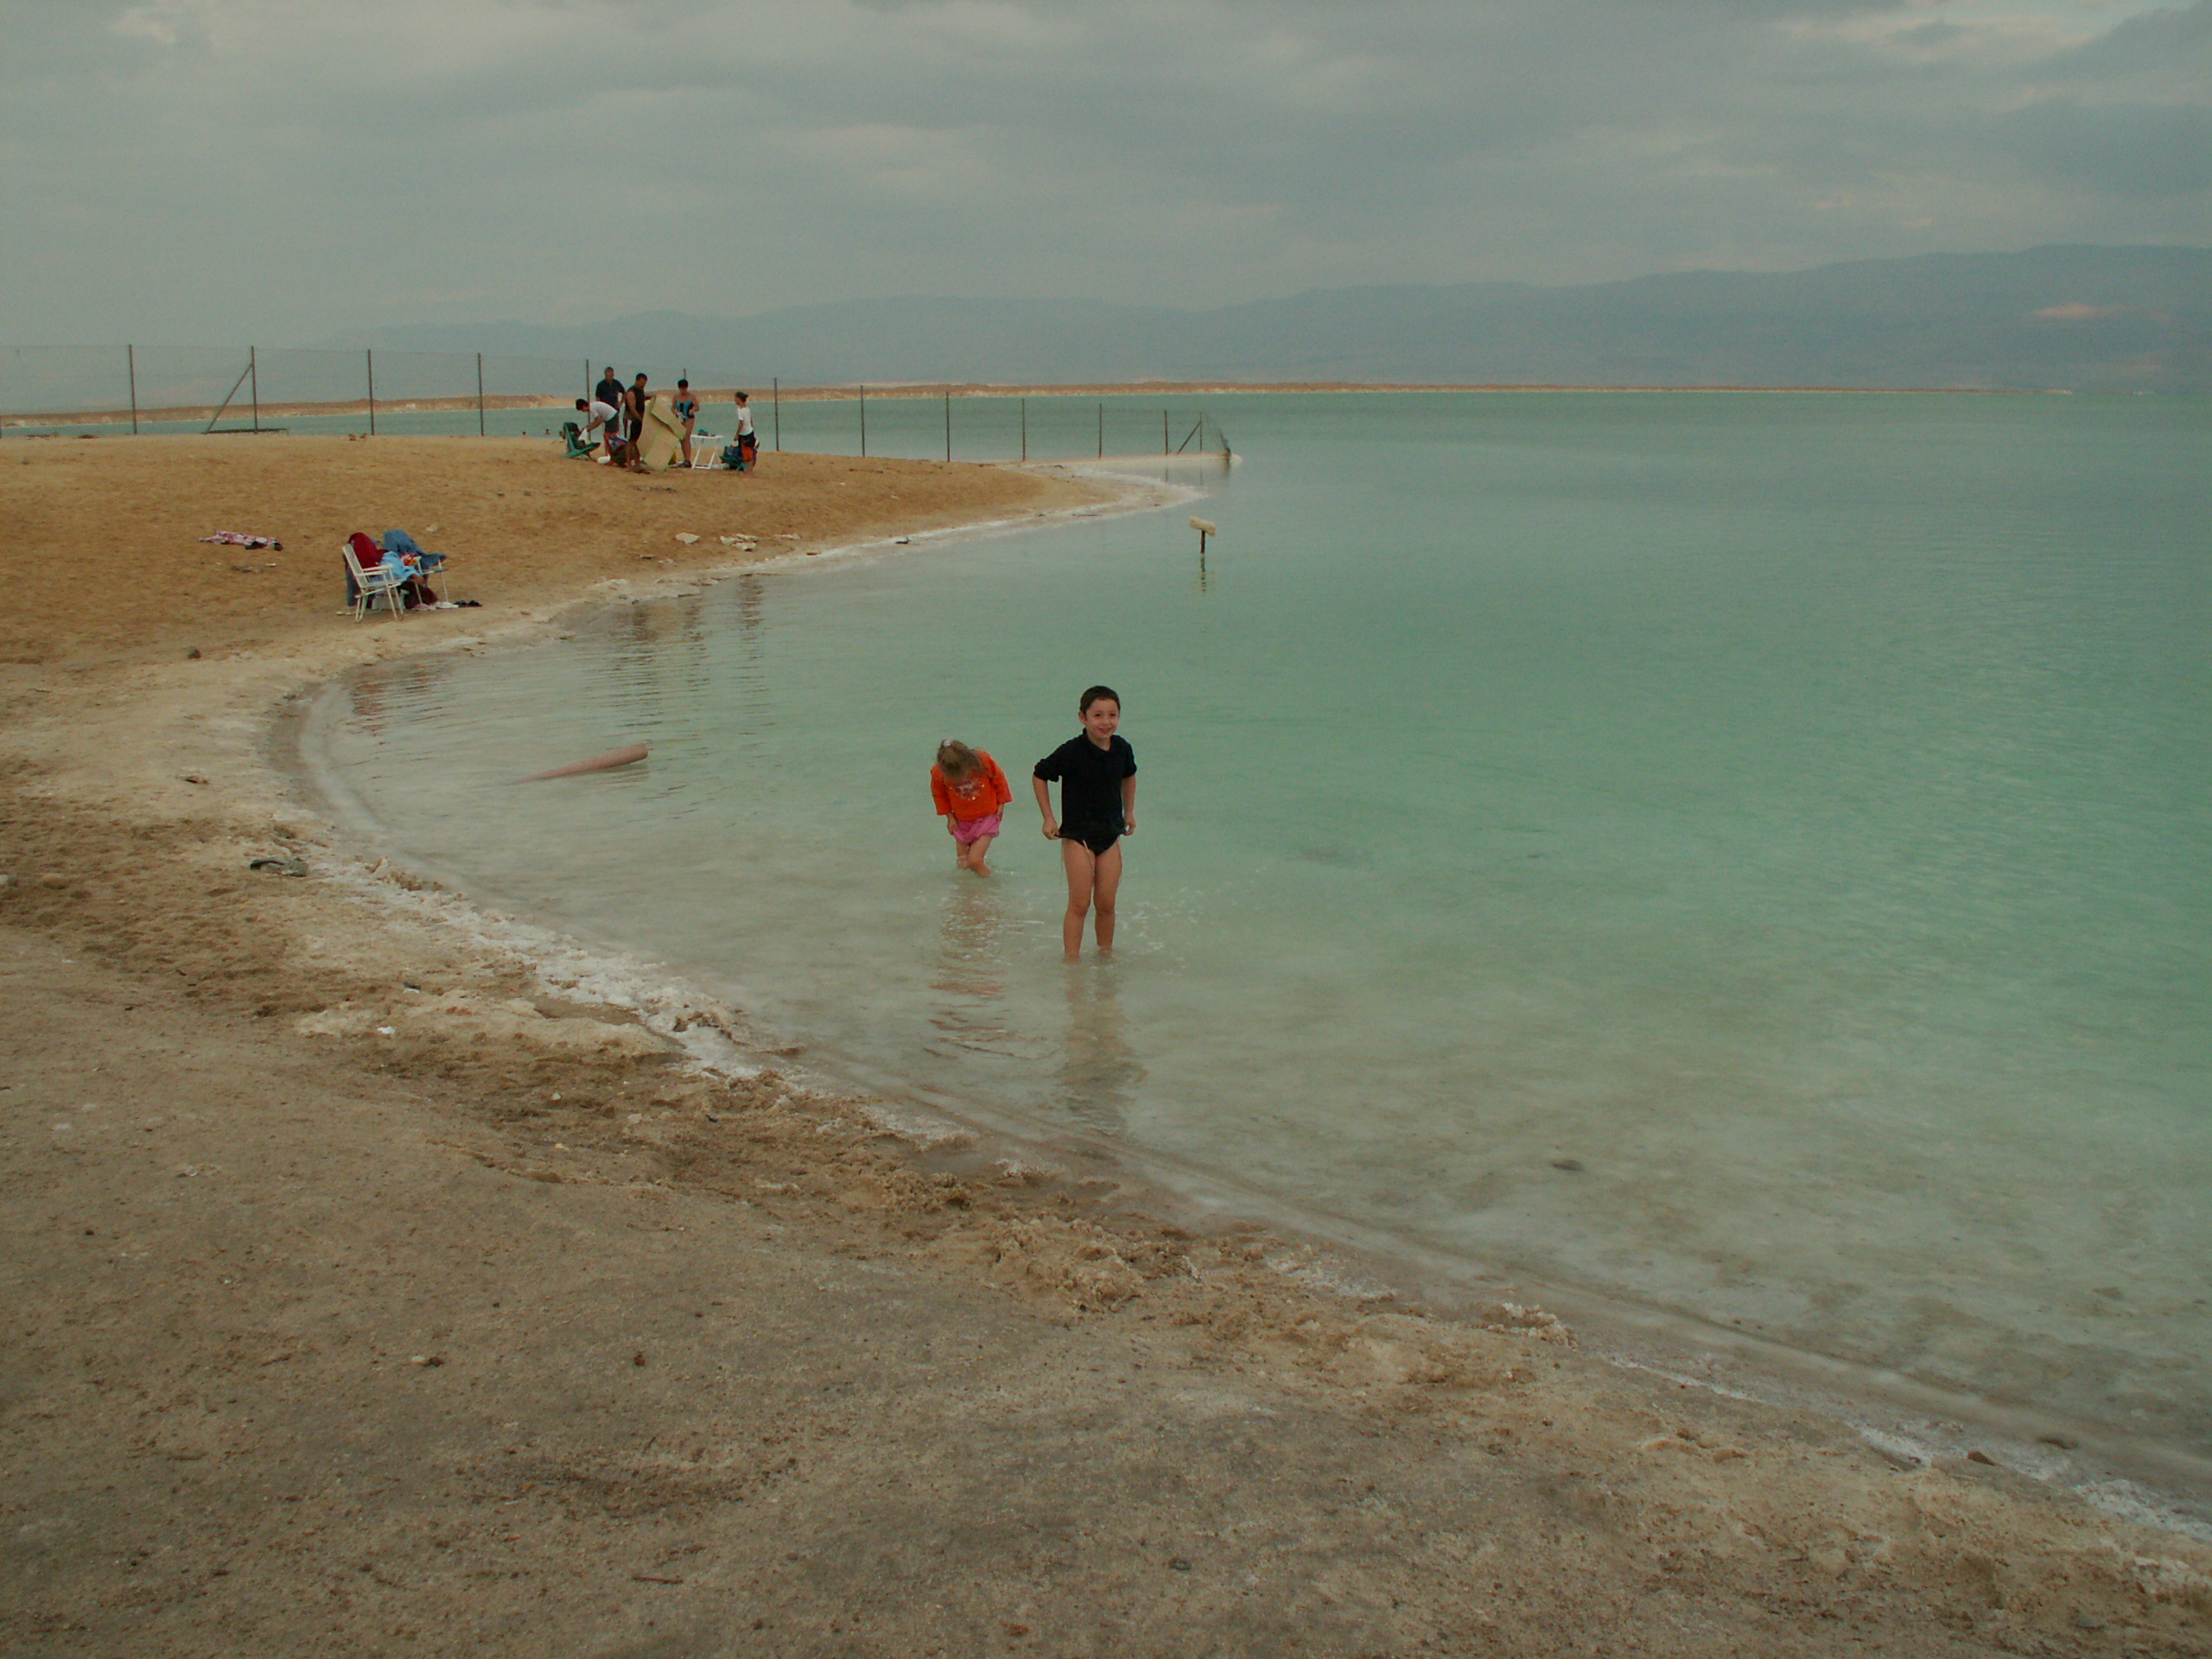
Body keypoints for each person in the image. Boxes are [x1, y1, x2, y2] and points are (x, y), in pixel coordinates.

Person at [1033, 685, 1136, 959]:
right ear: (1083, 717)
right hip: (1078, 837)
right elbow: (1040, 774)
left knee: (1106, 903)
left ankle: (1105, 958)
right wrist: (1048, 818)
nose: (1106, 722)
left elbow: (1129, 776)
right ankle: (1071, 963)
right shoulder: (1072, 751)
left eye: (1112, 715)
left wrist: (1129, 812)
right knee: (1080, 904)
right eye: (1098, 715)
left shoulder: (1122, 748)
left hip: (1110, 835)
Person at [931, 741, 1013, 877]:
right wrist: (950, 818)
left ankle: (991, 884)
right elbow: (939, 795)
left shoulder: (983, 762)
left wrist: (1002, 803)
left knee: (975, 861)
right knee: (963, 863)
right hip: (961, 820)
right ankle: (970, 889)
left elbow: (999, 779)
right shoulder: (938, 773)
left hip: (988, 816)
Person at [575, 395, 620, 460]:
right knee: (609, 436)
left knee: (608, 436)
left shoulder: (592, 408)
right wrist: (587, 427)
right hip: (611, 416)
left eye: (582, 410)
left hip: (611, 417)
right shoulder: (593, 405)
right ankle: (612, 455)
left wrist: (588, 429)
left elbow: (598, 421)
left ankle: (612, 456)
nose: (583, 411)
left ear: (584, 406)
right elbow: (596, 420)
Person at [672, 378, 700, 467]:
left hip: (689, 418)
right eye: (681, 388)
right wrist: (675, 412)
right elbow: (673, 408)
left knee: (686, 437)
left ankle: (688, 459)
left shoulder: (691, 397)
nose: (683, 390)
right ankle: (685, 458)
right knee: (681, 438)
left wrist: (693, 410)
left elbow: (697, 407)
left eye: (684, 388)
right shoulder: (676, 397)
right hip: (680, 418)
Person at [734, 391, 757, 471]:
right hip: (749, 432)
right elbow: (750, 420)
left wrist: (737, 434)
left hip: (745, 434)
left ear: (739, 399)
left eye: (735, 398)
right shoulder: (747, 409)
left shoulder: (740, 410)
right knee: (747, 453)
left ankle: (749, 471)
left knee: (747, 454)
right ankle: (748, 469)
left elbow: (741, 423)